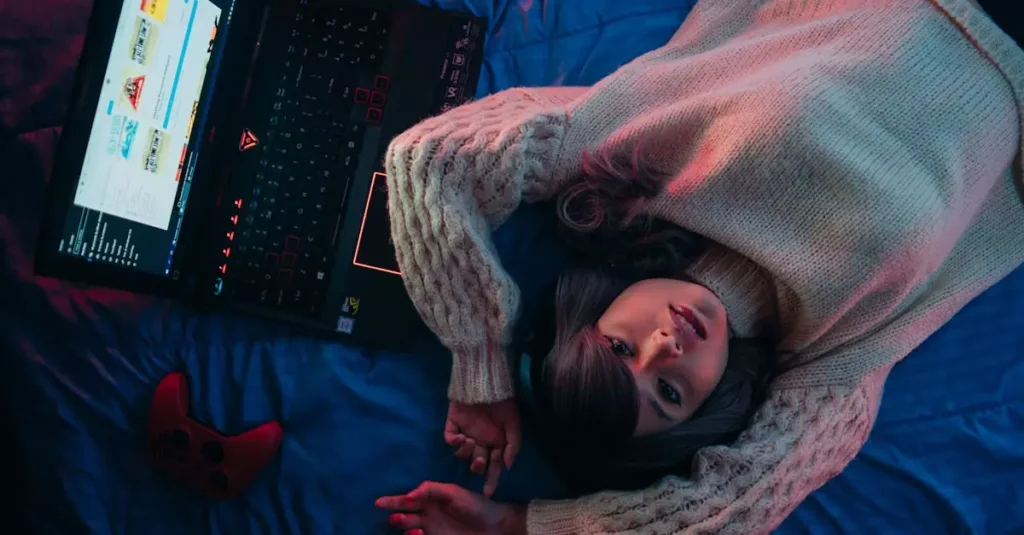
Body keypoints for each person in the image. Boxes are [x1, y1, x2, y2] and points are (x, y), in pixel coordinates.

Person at [376, 0, 1024, 532]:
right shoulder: (832, 358)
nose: (666, 346)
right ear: (710, 407)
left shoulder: (636, 162)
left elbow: (429, 163)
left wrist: (480, 363)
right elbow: (725, 514)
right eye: (670, 393)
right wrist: (520, 526)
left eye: (621, 347)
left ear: (592, 312)